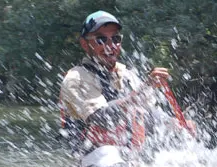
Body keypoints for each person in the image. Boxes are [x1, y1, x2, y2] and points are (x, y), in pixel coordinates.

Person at [59, 11, 174, 156]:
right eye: (101, 39)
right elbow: (103, 119)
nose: (110, 46)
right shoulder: (75, 79)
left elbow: (147, 114)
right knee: (109, 155)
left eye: (116, 39)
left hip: (127, 157)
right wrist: (140, 92)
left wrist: (173, 125)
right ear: (85, 44)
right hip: (93, 158)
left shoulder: (126, 74)